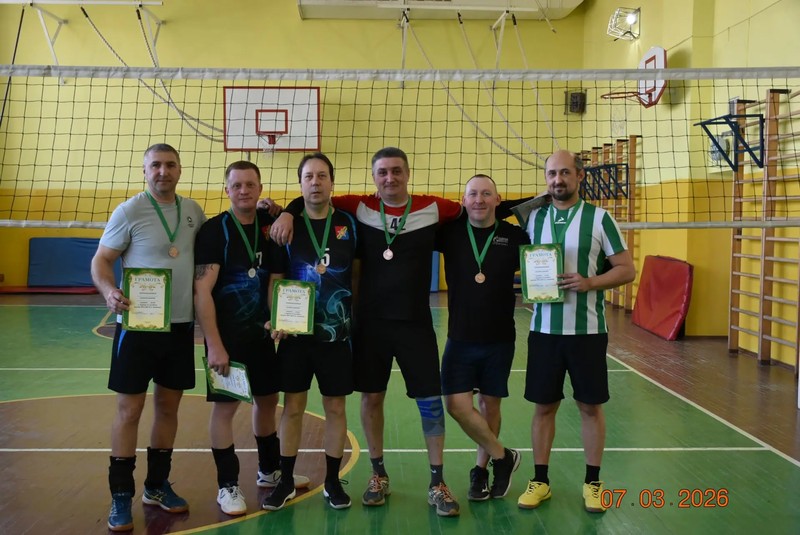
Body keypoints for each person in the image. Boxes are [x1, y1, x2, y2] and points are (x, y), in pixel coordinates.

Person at [270, 147, 465, 516]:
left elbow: (476, 207)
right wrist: (287, 211)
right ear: (374, 178)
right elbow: (309, 197)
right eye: (382, 172)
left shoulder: (433, 208)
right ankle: (378, 475)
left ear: (408, 173)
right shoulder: (358, 209)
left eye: (396, 171)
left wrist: (525, 205)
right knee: (370, 399)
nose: (390, 178)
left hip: (415, 325)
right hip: (370, 327)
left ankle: (437, 481)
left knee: (429, 402)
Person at [91, 143, 207, 532]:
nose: (163, 171)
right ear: (145, 170)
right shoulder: (129, 211)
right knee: (129, 411)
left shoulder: (193, 212)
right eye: (155, 165)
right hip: (138, 328)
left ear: (180, 170)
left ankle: (156, 486)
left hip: (179, 328)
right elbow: (101, 259)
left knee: (169, 409)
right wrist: (109, 291)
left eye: (170, 165)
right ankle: (121, 495)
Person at [516, 149, 636, 513]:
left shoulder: (600, 219)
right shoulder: (533, 219)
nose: (558, 179)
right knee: (543, 407)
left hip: (587, 332)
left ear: (580, 176)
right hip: (544, 332)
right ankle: (540, 481)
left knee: (589, 407)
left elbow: (627, 269)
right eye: (552, 173)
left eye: (565, 172)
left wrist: (590, 282)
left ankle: (593, 483)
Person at [192, 160, 309, 517]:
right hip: (227, 339)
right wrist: (214, 344)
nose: (244, 191)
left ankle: (269, 470)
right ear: (227, 190)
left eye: (250, 185)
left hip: (261, 338)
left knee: (267, 401)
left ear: (260, 188)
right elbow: (202, 291)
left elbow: (274, 280)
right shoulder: (214, 231)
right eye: (237, 185)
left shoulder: (269, 227)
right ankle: (227, 484)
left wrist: (278, 318)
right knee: (225, 409)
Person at [261, 153, 359, 512]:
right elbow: (275, 280)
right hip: (295, 338)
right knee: (293, 408)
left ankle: (332, 481)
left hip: (336, 338)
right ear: (300, 183)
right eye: (308, 177)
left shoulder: (348, 224)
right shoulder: (286, 227)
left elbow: (357, 276)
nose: (315, 182)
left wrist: (355, 320)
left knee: (335, 408)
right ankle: (285, 480)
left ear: (332, 182)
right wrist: (276, 319)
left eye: (321, 176)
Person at [435, 174, 530, 501]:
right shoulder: (449, 233)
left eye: (486, 194)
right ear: (463, 201)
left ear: (497, 199)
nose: (479, 199)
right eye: (473, 194)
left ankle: (481, 470)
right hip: (460, 338)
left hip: (499, 339)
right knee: (457, 405)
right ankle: (504, 456)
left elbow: (543, 259)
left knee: (490, 405)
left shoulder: (514, 236)